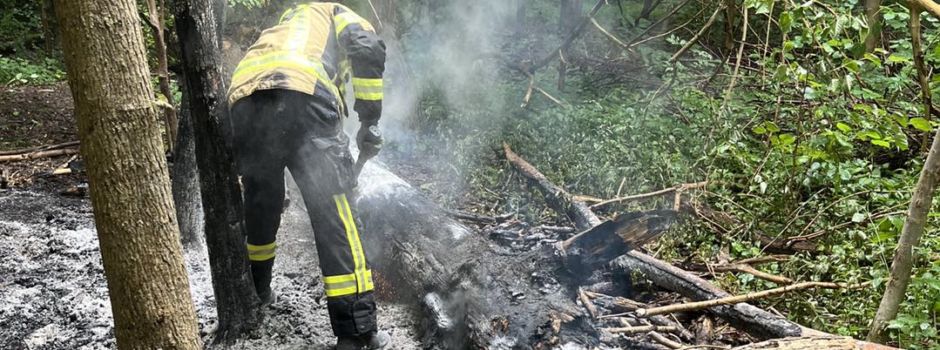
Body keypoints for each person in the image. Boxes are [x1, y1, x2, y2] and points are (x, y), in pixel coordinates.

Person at [226, 2, 387, 349]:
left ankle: (257, 291)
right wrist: (370, 121)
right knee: (335, 210)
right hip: (301, 94)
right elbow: (367, 46)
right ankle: (357, 332)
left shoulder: (289, 23)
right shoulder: (336, 12)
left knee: (261, 200)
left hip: (244, 100)